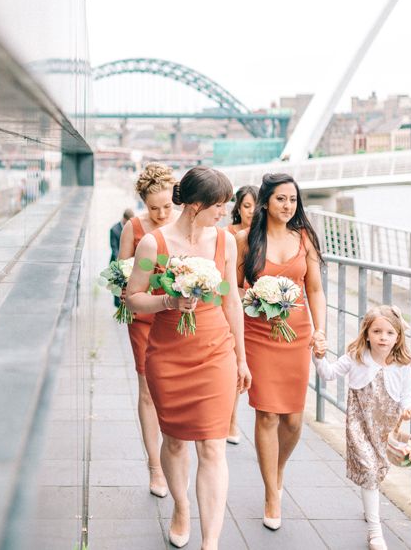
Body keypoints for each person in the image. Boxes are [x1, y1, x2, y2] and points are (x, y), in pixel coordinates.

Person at [126, 166, 251, 550]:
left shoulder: (224, 242)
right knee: (176, 442)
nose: (225, 213)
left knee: (212, 446)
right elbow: (132, 297)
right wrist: (169, 300)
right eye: (219, 205)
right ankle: (181, 507)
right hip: (168, 354)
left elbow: (230, 296)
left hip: (215, 352)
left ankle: (210, 541)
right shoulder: (153, 245)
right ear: (196, 206)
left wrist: (242, 359)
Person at [236, 172, 326, 530]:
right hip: (259, 333)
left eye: (293, 200)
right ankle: (272, 493)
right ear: (265, 202)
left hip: (297, 334)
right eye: (280, 199)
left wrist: (321, 331)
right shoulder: (246, 240)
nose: (288, 206)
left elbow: (315, 290)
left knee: (293, 419)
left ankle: (278, 468)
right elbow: (234, 289)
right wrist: (258, 298)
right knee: (268, 415)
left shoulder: (306, 239)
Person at [313, 306, 411, 550]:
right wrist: (318, 356)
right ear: (367, 333)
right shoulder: (356, 357)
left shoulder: (401, 365)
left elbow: (407, 394)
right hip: (359, 425)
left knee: (377, 473)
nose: (383, 337)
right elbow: (328, 374)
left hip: (385, 430)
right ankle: (375, 531)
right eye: (377, 331)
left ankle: (370, 508)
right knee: (369, 472)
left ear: (398, 337)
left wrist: (410, 409)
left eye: (390, 333)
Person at [118, 164, 178, 498]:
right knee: (146, 390)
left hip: (176, 319)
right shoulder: (134, 227)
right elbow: (121, 273)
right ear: (144, 202)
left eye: (167, 206)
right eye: (154, 207)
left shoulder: (182, 226)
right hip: (143, 319)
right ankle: (155, 466)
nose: (161, 213)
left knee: (171, 388)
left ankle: (174, 452)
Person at [224, 184, 258, 445]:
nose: (252, 211)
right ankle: (232, 421)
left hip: (260, 312)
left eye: (256, 205)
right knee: (236, 364)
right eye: (247, 206)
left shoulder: (264, 236)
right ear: (238, 208)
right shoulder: (229, 235)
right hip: (235, 308)